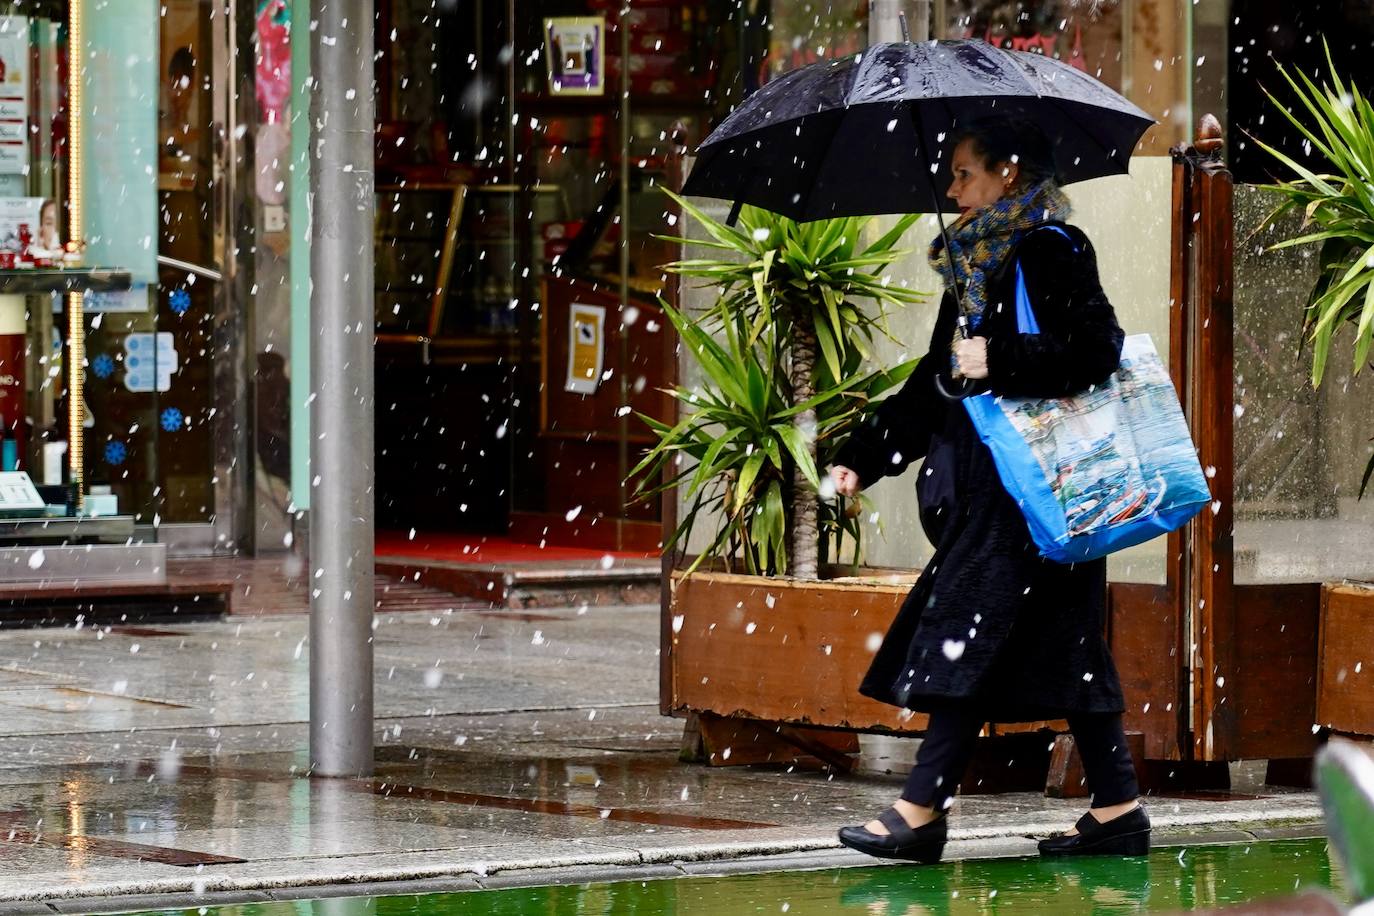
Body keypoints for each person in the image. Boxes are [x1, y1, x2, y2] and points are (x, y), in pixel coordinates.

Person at [830, 115, 1148, 863]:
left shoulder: (1051, 247)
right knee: (1068, 651)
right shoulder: (977, 263)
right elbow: (936, 378)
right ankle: (1118, 807)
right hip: (1006, 492)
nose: (951, 189)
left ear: (1008, 173)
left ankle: (920, 809)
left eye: (964, 173)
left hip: (1035, 489)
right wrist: (866, 457)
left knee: (962, 635)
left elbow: (1096, 350)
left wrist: (999, 357)